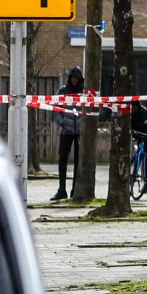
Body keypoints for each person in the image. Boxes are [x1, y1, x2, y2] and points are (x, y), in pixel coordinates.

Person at [52, 65, 85, 201]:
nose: (74, 80)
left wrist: (82, 124)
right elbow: (56, 108)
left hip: (79, 132)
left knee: (78, 161)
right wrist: (62, 122)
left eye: (76, 78)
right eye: (72, 77)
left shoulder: (84, 93)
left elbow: (89, 108)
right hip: (66, 131)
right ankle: (61, 189)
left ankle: (74, 190)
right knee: (62, 160)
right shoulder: (62, 91)